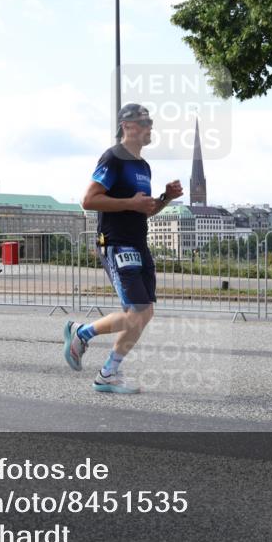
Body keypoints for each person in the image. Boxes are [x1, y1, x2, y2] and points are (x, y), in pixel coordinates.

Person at [62, 103, 184, 394]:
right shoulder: (113, 158)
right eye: (145, 122)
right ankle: (81, 333)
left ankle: (108, 373)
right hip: (116, 243)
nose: (150, 127)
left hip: (139, 243)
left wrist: (165, 198)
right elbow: (88, 200)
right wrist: (130, 203)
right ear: (127, 125)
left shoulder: (143, 166)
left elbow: (145, 209)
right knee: (135, 313)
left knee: (145, 313)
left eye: (151, 122)